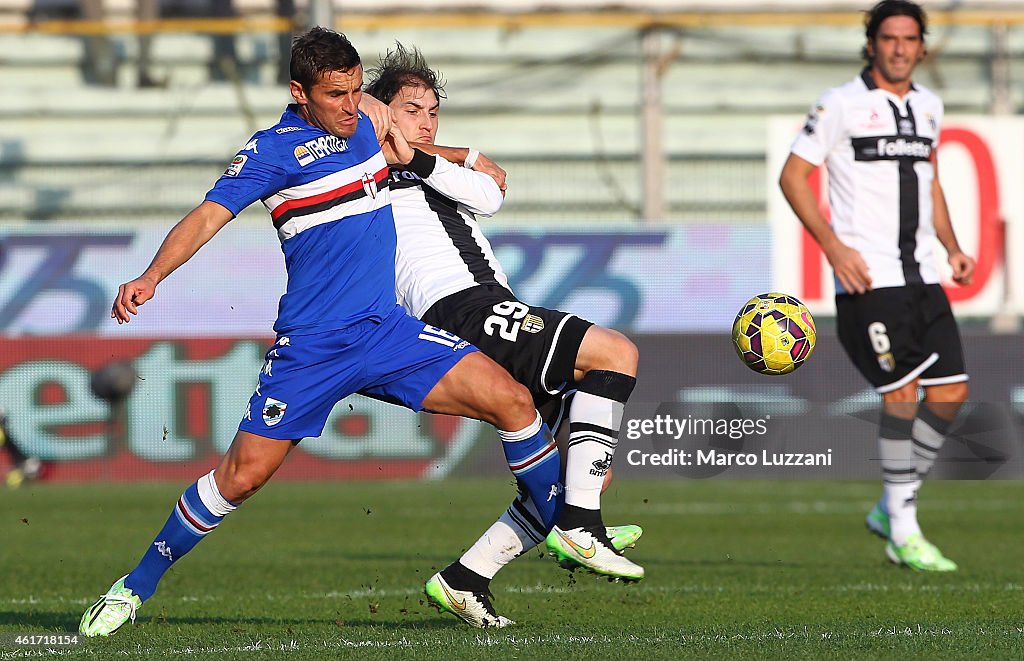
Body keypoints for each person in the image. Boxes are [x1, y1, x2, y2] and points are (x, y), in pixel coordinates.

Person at [79, 27, 568, 637]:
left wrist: (464, 154)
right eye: (336, 95)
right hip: (312, 347)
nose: (350, 104)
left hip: (387, 331)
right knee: (241, 477)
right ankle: (134, 585)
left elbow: (414, 135)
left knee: (514, 401)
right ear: (298, 92)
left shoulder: (364, 117)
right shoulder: (271, 152)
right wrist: (151, 276)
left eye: (356, 91)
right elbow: (208, 216)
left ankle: (569, 525)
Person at [364, 44, 644, 627]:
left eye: (434, 112)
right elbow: (355, 118)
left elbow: (490, 192)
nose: (426, 119)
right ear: (383, 109)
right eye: (411, 108)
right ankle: (581, 528)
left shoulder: (426, 167)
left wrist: (438, 153)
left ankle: (466, 578)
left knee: (579, 471)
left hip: (492, 306)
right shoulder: (362, 165)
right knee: (615, 352)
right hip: (460, 308)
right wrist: (427, 147)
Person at [779, 0, 973, 572]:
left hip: (921, 276)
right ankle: (905, 530)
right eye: (888, 38)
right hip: (870, 280)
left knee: (950, 394)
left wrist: (954, 247)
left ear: (922, 46)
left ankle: (891, 506)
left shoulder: (929, 107)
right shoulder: (841, 105)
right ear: (871, 44)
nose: (898, 47)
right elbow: (794, 177)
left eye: (909, 38)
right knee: (901, 396)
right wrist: (834, 248)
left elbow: (929, 183)